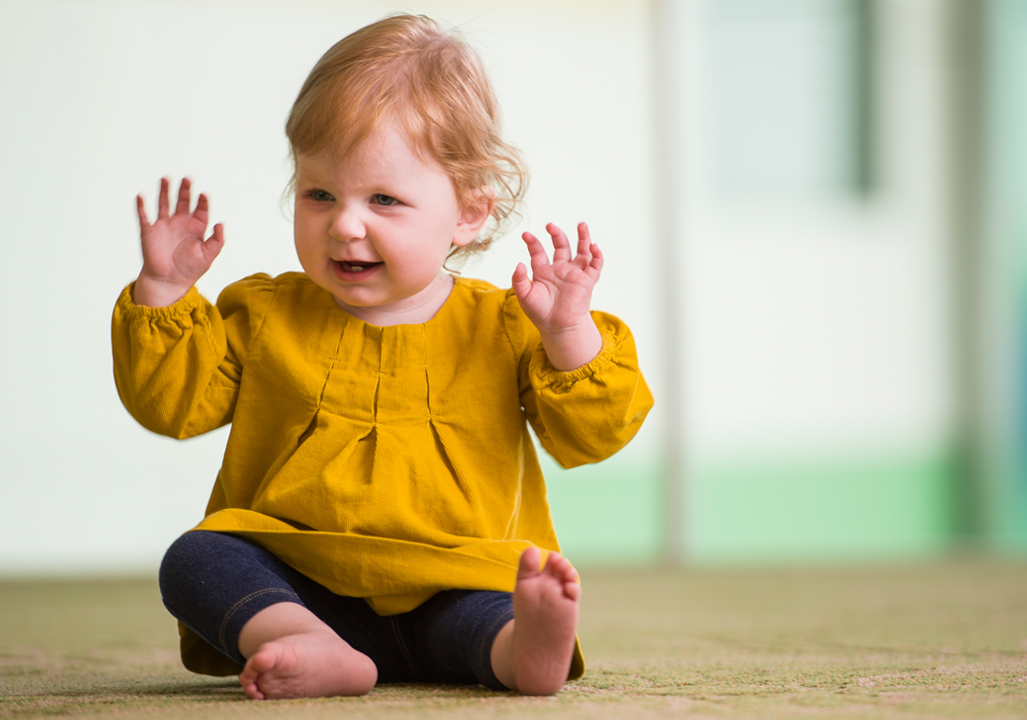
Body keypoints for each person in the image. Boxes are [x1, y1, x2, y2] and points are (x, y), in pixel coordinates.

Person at [111, 13, 652, 700]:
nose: (344, 224)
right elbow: (175, 407)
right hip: (302, 587)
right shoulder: (265, 313)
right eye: (320, 194)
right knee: (196, 558)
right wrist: (162, 291)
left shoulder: (506, 325)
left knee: (488, 607)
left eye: (384, 199)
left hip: (453, 583)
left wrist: (568, 334)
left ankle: (523, 650)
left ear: (468, 213)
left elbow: (596, 433)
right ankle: (305, 642)